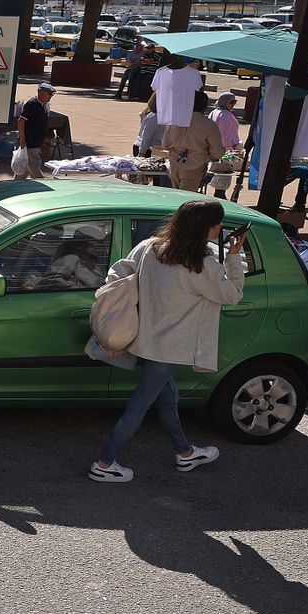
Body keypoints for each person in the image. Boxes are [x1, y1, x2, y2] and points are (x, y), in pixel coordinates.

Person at [89, 200, 235, 482]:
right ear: (206, 227)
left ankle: (185, 452)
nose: (220, 228)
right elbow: (232, 294)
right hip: (166, 350)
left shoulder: (150, 247)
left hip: (141, 340)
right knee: (138, 407)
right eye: (218, 223)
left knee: (167, 400)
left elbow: (118, 273)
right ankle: (104, 464)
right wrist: (234, 258)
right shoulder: (202, 265)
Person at [163, 90, 226, 191]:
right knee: (186, 197)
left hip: (174, 164)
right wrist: (209, 157)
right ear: (204, 107)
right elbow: (217, 151)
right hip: (195, 164)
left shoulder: (174, 121)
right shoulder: (208, 124)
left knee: (176, 194)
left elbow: (165, 145)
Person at [14, 82, 55, 180]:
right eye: (49, 94)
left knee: (23, 169)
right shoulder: (32, 104)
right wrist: (22, 139)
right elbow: (21, 121)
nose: (50, 97)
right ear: (41, 93)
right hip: (29, 142)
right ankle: (41, 185)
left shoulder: (44, 105)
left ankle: (15, 185)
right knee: (34, 165)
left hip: (36, 142)